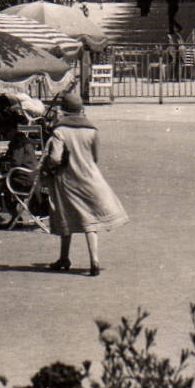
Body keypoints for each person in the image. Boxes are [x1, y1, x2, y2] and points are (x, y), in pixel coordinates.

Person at [41, 91, 127, 276]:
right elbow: (95, 157)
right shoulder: (92, 130)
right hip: (90, 178)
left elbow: (55, 158)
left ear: (64, 111)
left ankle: (64, 257)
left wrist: (48, 162)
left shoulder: (59, 131)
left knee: (65, 217)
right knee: (91, 221)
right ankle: (93, 260)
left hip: (68, 179)